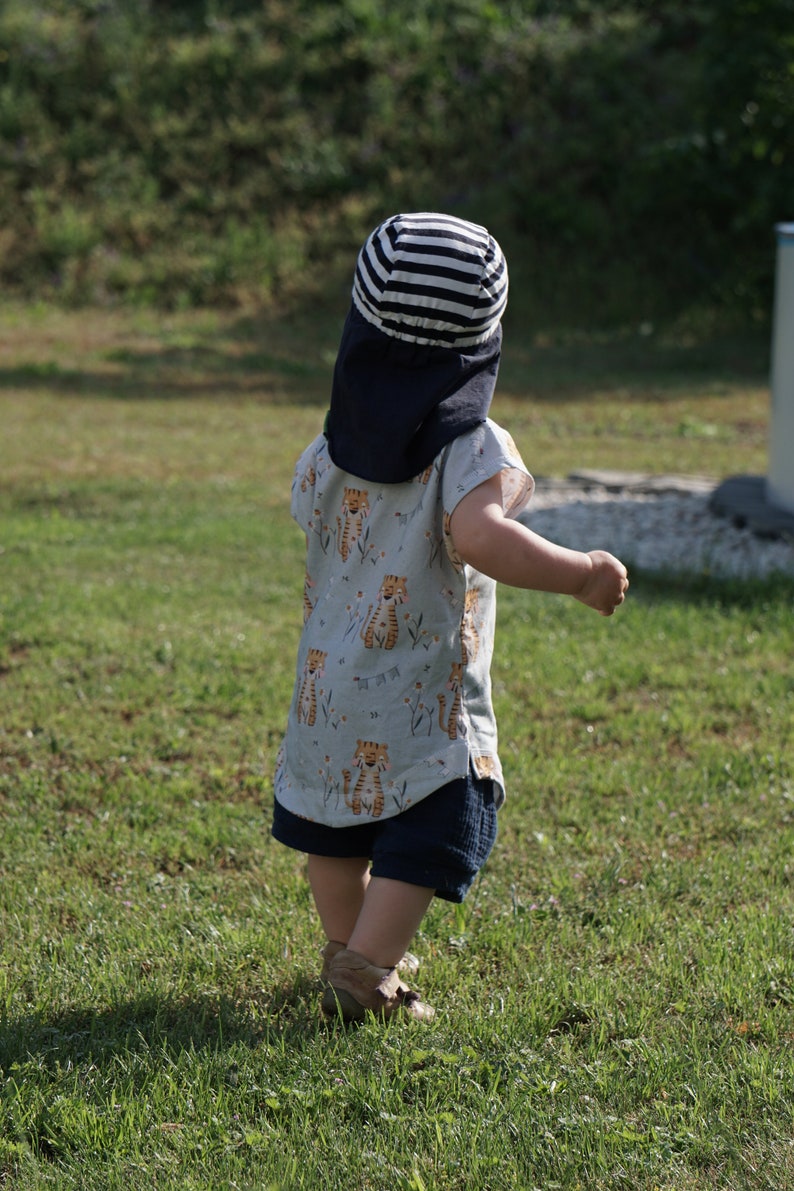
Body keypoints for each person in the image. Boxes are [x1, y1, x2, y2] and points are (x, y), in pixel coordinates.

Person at [272, 212, 628, 1022]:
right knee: (435, 824)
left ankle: (346, 947)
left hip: (326, 693)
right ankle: (366, 971)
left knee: (335, 827)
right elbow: (477, 534)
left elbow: (309, 511)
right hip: (422, 704)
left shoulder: (331, 445)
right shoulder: (471, 445)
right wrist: (579, 574)